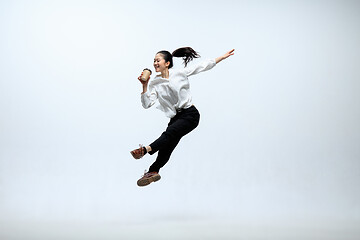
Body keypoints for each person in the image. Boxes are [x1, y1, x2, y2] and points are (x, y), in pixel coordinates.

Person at [131, 47, 235, 187]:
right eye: (154, 61)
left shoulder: (179, 73)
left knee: (169, 134)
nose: (155, 63)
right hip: (176, 118)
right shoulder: (155, 83)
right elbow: (147, 104)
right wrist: (144, 86)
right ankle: (153, 171)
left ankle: (145, 150)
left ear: (167, 63)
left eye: (158, 60)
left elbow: (201, 66)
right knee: (167, 146)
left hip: (190, 115)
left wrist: (221, 57)